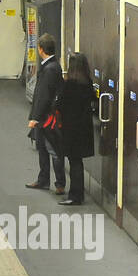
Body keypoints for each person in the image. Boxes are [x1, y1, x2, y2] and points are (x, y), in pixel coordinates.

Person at [25, 33, 65, 194]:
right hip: (49, 116)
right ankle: (44, 179)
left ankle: (58, 183)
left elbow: (43, 96)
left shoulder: (48, 69)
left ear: (41, 49)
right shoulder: (54, 66)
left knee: (51, 149)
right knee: (42, 147)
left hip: (47, 118)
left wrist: (35, 118)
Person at [54, 54, 95, 205]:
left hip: (71, 130)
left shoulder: (70, 85)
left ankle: (75, 196)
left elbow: (59, 105)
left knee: (74, 163)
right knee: (78, 162)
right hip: (84, 130)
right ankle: (78, 194)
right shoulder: (88, 83)